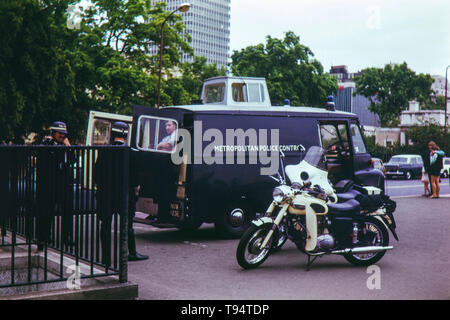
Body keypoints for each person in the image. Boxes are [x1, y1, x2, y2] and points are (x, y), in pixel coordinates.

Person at [95, 121, 148, 263]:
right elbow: (136, 178)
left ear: (112, 133)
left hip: (106, 194)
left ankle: (105, 257)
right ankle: (131, 252)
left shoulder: (104, 151)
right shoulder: (131, 152)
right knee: (127, 225)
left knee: (105, 224)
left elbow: (97, 173)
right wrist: (135, 190)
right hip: (125, 194)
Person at [36, 121, 74, 250]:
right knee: (46, 211)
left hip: (63, 183)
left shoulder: (64, 145)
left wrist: (69, 148)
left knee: (67, 212)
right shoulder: (46, 144)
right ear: (53, 132)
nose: (62, 136)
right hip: (49, 184)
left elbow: (72, 160)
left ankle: (67, 237)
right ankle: (44, 237)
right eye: (60, 133)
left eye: (64, 134)